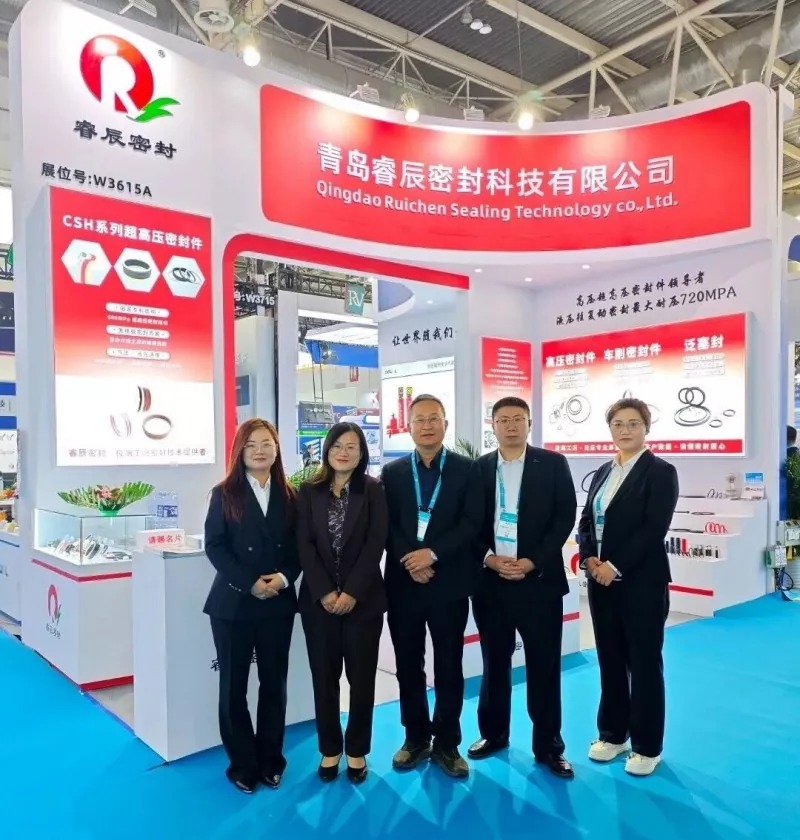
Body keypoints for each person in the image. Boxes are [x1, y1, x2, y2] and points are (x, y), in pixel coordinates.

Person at [469, 397, 577, 779]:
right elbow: (468, 521)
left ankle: (549, 746)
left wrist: (534, 560)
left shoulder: (552, 463)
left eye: (518, 419)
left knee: (544, 667)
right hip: (491, 584)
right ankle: (493, 734)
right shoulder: (479, 468)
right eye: (503, 420)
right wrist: (488, 559)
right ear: (493, 425)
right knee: (494, 663)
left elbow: (565, 516)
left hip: (539, 584)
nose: (511, 425)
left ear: (529, 424)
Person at [381, 393, 483, 778]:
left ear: (445, 424)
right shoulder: (392, 473)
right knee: (408, 665)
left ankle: (447, 743)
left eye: (433, 418)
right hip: (404, 584)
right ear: (408, 427)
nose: (427, 425)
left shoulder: (466, 469)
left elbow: (472, 523)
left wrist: (433, 554)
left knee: (449, 665)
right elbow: (387, 526)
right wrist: (411, 559)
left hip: (448, 583)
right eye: (419, 420)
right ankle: (415, 738)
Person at [578, 397, 679, 777]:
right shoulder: (605, 470)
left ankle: (647, 746)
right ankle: (613, 734)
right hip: (601, 583)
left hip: (642, 584)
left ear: (646, 428)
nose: (625, 430)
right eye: (618, 424)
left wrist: (614, 565)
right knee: (610, 659)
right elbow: (587, 520)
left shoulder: (660, 471)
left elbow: (654, 529)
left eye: (633, 423)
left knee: (644, 663)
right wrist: (589, 559)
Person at [203, 419, 300, 794]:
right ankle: (242, 765)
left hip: (277, 602)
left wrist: (283, 579)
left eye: (267, 443)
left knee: (274, 684)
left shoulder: (291, 496)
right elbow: (215, 546)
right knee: (233, 687)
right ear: (239, 451)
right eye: (251, 444)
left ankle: (272, 761)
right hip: (233, 604)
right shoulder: (223, 493)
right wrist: (250, 583)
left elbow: (300, 549)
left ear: (277, 449)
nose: (260, 450)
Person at [296, 422, 388, 784]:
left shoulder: (374, 489)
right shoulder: (309, 490)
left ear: (362, 453)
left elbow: (376, 542)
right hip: (318, 604)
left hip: (363, 602)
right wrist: (324, 591)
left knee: (361, 679)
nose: (344, 452)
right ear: (327, 450)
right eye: (337, 445)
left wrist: (351, 592)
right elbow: (303, 543)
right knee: (324, 678)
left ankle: (357, 749)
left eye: (352, 446)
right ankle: (330, 748)